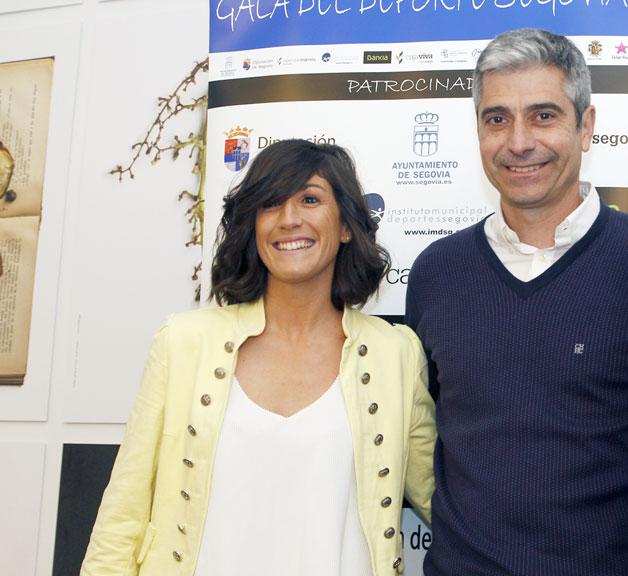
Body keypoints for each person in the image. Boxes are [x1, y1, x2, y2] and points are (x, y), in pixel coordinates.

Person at [81, 140, 436, 576]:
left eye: (310, 199)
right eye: (270, 204)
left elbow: (445, 501)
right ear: (253, 224)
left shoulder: (395, 354)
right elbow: (124, 512)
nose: (289, 219)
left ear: (346, 225)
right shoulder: (184, 343)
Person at [405, 28, 628, 574]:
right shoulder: (436, 273)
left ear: (586, 126)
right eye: (496, 119)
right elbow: (423, 433)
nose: (518, 141)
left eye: (543, 116)